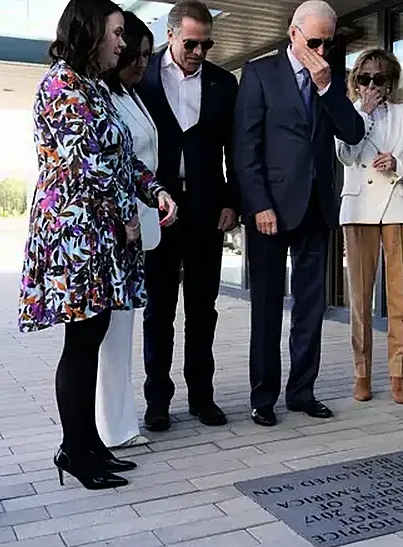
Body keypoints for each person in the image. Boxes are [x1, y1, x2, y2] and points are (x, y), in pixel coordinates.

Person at [18, 0, 177, 490]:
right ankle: (74, 450)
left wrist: (156, 191)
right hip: (76, 237)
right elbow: (83, 167)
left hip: (99, 237)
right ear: (88, 32)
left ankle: (89, 445)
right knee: (82, 343)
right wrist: (126, 215)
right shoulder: (61, 86)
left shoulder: (93, 88)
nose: (122, 43)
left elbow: (121, 156)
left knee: (91, 340)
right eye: (114, 33)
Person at [233, 0, 365, 427]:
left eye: (329, 42)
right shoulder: (260, 73)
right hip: (271, 210)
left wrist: (327, 88)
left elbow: (354, 132)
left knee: (311, 308)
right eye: (314, 42)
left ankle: (302, 392)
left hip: (316, 209)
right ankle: (263, 397)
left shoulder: (329, 76)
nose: (322, 50)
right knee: (268, 308)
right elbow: (244, 147)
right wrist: (259, 204)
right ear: (293, 35)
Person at [136, 0, 241, 432]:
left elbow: (235, 147)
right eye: (192, 44)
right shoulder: (142, 77)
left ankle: (202, 396)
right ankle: (157, 401)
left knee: (203, 308)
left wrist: (233, 200)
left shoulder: (223, 83)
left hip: (206, 209)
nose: (200, 52)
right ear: (171, 35)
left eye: (207, 44)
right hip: (159, 208)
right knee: (159, 308)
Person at [335, 49, 403, 405]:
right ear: (356, 82)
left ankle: (397, 374)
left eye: (379, 79)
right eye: (364, 79)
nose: (372, 85)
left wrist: (399, 164)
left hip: (397, 209)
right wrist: (365, 114)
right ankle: (362, 373)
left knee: (399, 300)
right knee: (360, 300)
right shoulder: (349, 113)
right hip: (357, 209)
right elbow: (345, 154)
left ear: (390, 82)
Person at [96, 11, 161, 449]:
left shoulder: (131, 94)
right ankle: (110, 427)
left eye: (146, 56)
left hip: (139, 226)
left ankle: (121, 422)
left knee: (123, 331)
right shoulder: (101, 95)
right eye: (134, 52)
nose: (140, 63)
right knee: (108, 336)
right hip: (116, 228)